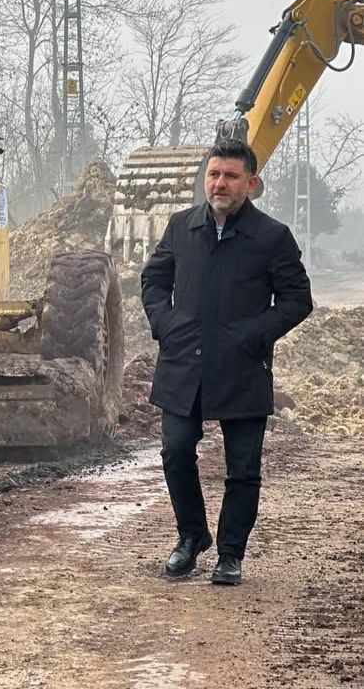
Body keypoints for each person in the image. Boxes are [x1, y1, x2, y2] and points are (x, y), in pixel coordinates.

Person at [141, 138, 312, 586]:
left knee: (243, 467)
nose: (219, 183)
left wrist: (253, 334)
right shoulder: (181, 227)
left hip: (243, 367)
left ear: (251, 184)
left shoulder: (272, 237)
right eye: (214, 174)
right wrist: (166, 323)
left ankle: (231, 554)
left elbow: (297, 300)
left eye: (230, 176)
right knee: (176, 452)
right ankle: (192, 536)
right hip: (184, 363)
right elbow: (154, 280)